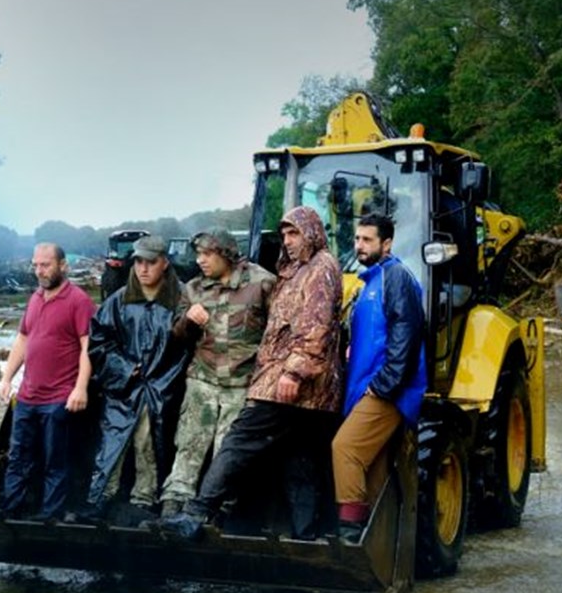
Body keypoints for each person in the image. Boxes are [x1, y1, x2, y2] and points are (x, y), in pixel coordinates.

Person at [161, 205, 343, 541]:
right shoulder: (296, 270)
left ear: (313, 233)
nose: (287, 241)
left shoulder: (319, 269)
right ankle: (308, 539)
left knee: (238, 442)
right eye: (285, 234)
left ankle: (197, 515)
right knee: (299, 461)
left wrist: (294, 374)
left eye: (295, 233)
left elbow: (315, 328)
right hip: (282, 383)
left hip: (286, 382)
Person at [154, 228, 275, 519]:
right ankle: (175, 500)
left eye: (207, 254)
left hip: (243, 383)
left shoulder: (263, 283)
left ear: (226, 254)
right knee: (189, 442)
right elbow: (177, 336)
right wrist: (188, 320)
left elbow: (278, 334)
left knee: (229, 451)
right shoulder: (193, 288)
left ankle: (223, 508)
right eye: (198, 255)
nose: (200, 261)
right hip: (202, 379)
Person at [78, 235, 190, 525]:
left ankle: (144, 499)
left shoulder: (182, 298)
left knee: (149, 444)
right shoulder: (118, 301)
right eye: (138, 261)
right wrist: (127, 369)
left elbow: (192, 347)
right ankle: (100, 497)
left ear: (164, 263)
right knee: (112, 443)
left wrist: (166, 381)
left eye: (150, 262)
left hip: (163, 389)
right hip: (125, 389)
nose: (143, 268)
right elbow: (99, 343)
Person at [332, 213, 427, 543]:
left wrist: (384, 386)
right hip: (365, 387)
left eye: (367, 239)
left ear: (386, 244)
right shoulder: (369, 282)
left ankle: (350, 530)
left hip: (388, 390)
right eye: (357, 239)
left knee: (345, 449)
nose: (359, 245)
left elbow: (408, 336)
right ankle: (377, 546)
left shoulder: (396, 277)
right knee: (373, 467)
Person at [0, 243, 96, 522]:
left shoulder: (79, 301)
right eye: (36, 265)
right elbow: (23, 339)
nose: (40, 270)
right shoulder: (35, 298)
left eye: (46, 265)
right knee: (18, 458)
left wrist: (80, 387)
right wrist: (7, 378)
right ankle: (9, 511)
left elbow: (89, 347)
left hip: (59, 397)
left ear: (63, 266)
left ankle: (49, 516)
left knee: (56, 462)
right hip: (27, 397)